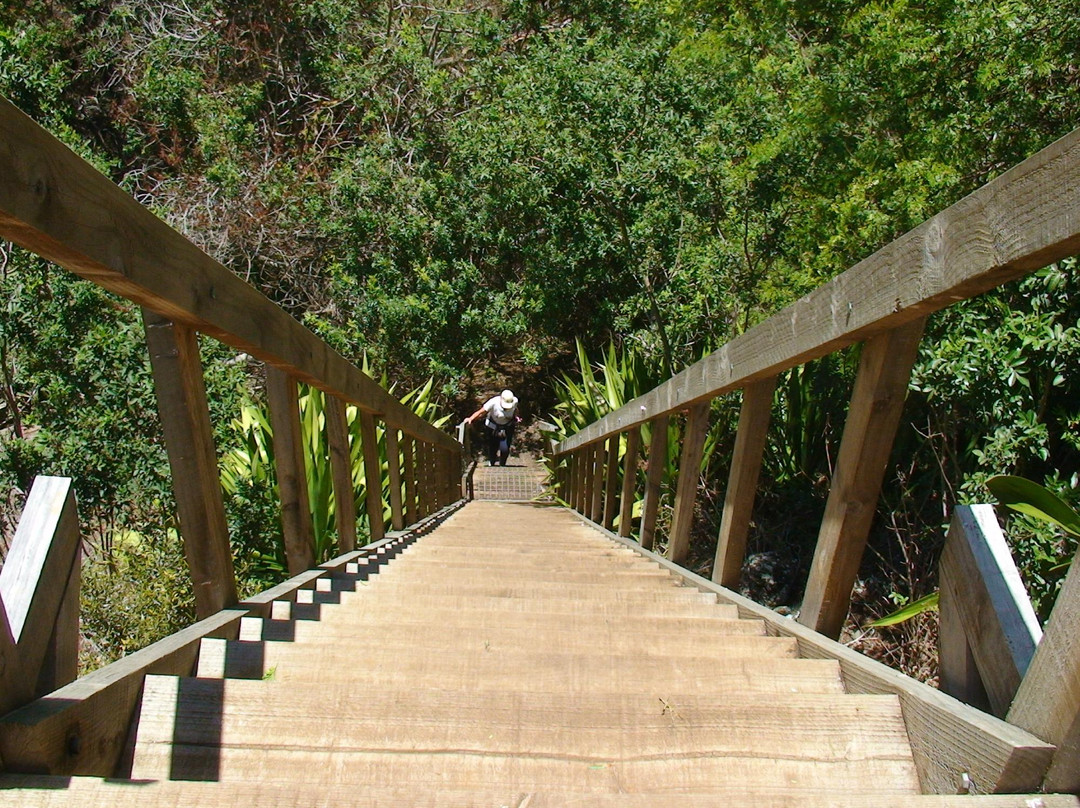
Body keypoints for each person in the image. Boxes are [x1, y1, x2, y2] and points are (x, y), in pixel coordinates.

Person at [467, 389, 520, 466]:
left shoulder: (514, 401)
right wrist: (471, 418)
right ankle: (492, 462)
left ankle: (502, 465)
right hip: (493, 427)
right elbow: (481, 412)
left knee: (505, 448)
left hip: (507, 426)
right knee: (493, 446)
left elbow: (515, 410)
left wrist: (516, 417)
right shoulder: (493, 402)